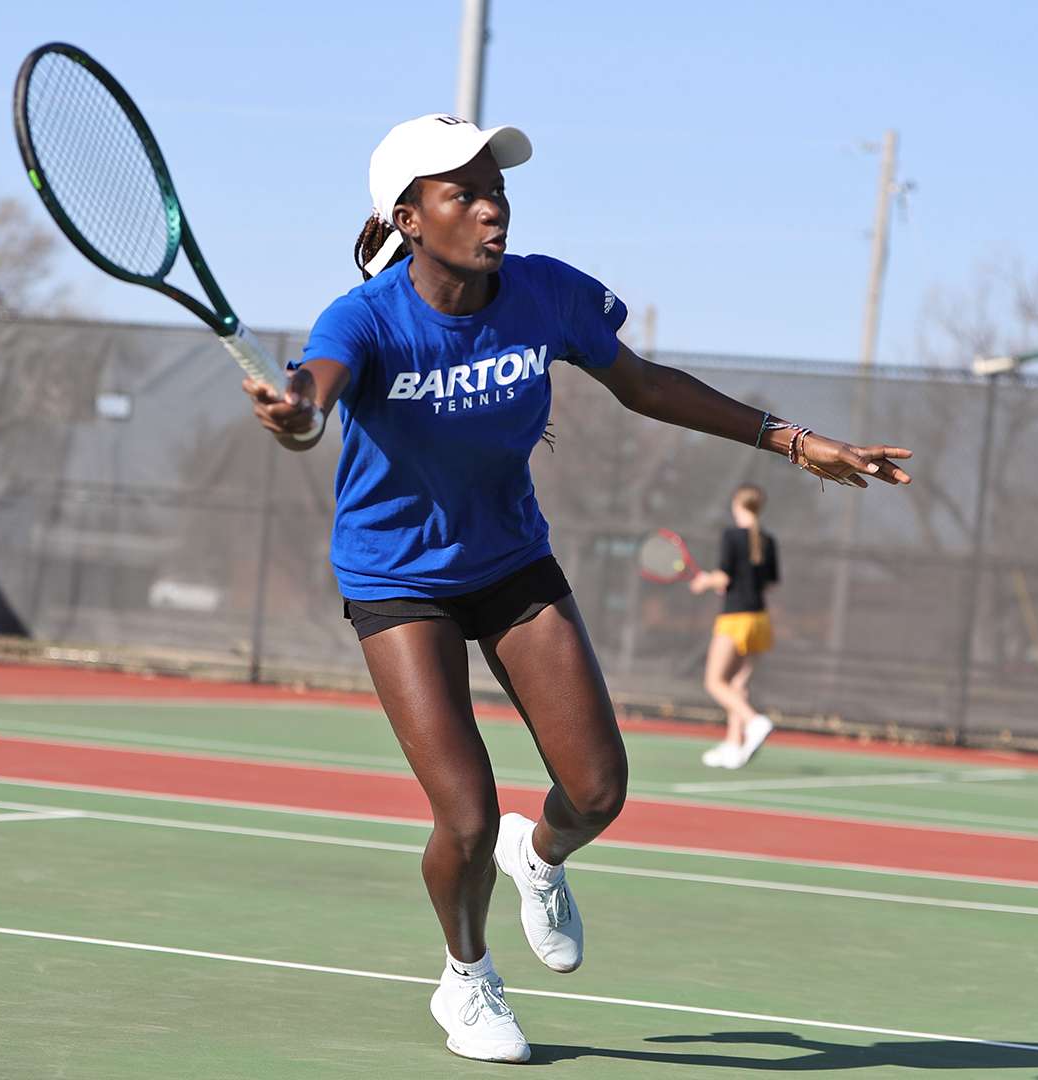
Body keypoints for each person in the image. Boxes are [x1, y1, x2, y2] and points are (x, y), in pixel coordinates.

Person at [242, 114, 912, 1064]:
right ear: (407, 216)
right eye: (462, 192)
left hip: (511, 561)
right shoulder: (367, 317)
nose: (490, 207)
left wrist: (796, 442)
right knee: (466, 812)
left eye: (495, 188)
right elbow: (318, 385)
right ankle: (467, 979)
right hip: (397, 579)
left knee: (598, 790)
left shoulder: (545, 293)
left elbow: (643, 385)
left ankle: (541, 855)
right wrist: (298, 411)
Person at [689, 484, 779, 769]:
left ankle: (755, 722)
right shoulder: (768, 539)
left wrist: (706, 581)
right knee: (738, 684)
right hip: (760, 620)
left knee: (715, 682)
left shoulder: (731, 535)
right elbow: (769, 582)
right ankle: (733, 744)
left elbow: (724, 577)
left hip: (736, 619)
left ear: (737, 505)